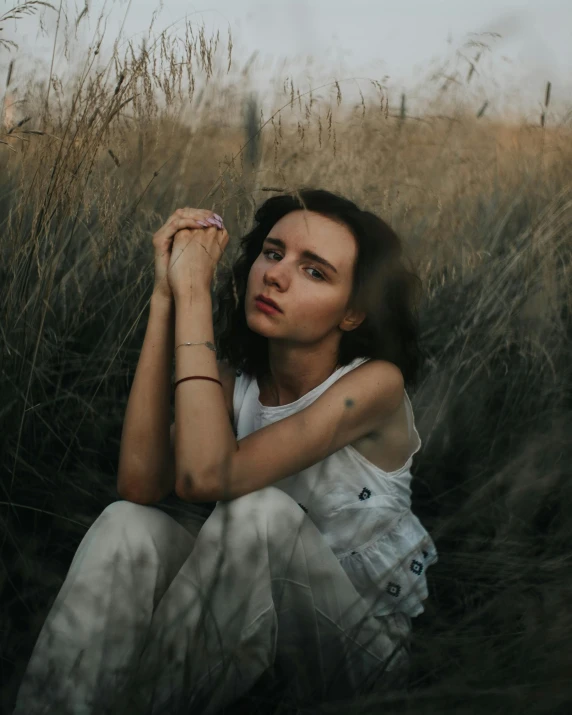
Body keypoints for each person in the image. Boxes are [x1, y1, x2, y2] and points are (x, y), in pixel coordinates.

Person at [13, 188, 438, 715]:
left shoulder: (374, 387)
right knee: (128, 525)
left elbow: (206, 477)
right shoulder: (236, 381)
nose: (277, 275)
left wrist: (195, 297)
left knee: (258, 515)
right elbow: (141, 484)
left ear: (352, 314)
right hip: (248, 615)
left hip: (357, 656)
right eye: (274, 252)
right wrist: (165, 297)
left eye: (315, 272)